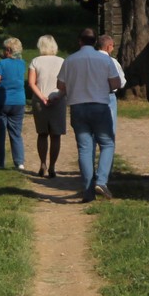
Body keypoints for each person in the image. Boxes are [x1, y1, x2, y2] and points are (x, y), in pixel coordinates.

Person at [57, 28, 122, 202]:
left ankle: (87, 191)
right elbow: (116, 83)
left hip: (77, 106)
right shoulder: (104, 59)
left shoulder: (69, 60)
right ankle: (101, 180)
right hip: (100, 105)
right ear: (95, 42)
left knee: (84, 148)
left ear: (79, 41)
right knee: (107, 143)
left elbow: (60, 85)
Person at [28, 34, 66, 178]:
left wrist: (42, 97)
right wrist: (58, 96)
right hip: (58, 100)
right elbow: (66, 83)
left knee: (42, 133)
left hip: (40, 101)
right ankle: (52, 166)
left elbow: (32, 83)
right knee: (56, 135)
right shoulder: (62, 61)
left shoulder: (35, 61)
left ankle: (43, 163)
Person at [0, 37, 28, 171]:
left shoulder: (0, 65)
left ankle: (0, 163)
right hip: (19, 102)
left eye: (5, 49)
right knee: (16, 133)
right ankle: (19, 162)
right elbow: (10, 62)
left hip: (1, 102)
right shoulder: (22, 64)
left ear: (9, 50)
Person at [97, 34, 127, 136]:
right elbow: (122, 82)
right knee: (109, 130)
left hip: (91, 95)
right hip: (108, 96)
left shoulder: (88, 60)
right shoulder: (112, 61)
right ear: (109, 46)